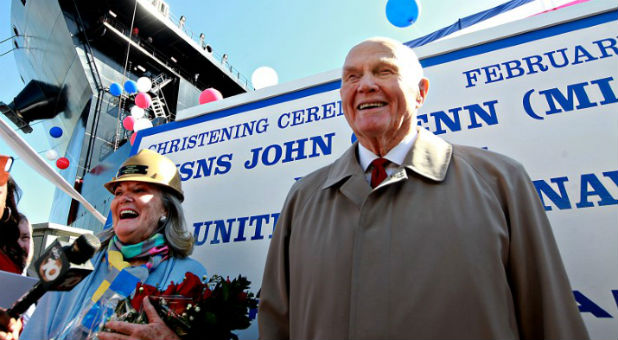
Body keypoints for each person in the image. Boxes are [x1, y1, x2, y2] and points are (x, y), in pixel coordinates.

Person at [258, 37, 589, 339]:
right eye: (352, 77)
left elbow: (549, 318)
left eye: (384, 71)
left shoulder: (500, 181)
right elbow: (276, 323)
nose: (366, 85)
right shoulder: (303, 199)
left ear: (421, 92)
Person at [21, 149, 207, 340]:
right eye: (119, 193)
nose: (124, 199)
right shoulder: (74, 259)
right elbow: (33, 333)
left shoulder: (189, 274)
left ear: (166, 209)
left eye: (139, 190)